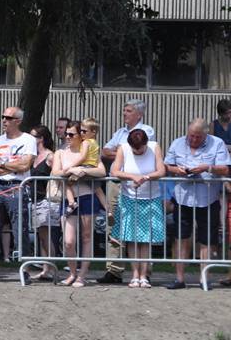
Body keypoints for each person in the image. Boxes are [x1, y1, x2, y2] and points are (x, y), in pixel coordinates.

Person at [164, 118, 231, 289]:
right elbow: (166, 166)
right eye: (191, 136)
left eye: (198, 137)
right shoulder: (177, 143)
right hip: (182, 197)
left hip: (208, 198)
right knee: (181, 237)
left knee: (207, 239)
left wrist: (207, 168)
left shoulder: (217, 143)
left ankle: (204, 278)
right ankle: (179, 279)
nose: (193, 139)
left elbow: (225, 169)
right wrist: (177, 170)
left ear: (205, 135)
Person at [99, 99, 156, 284]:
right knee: (113, 223)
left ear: (139, 114)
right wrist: (123, 151)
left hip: (137, 184)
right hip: (117, 182)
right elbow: (104, 151)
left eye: (129, 111)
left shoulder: (147, 131)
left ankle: (144, 271)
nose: (124, 113)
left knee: (141, 228)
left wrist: (121, 151)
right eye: (124, 110)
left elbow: (139, 150)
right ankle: (114, 269)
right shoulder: (120, 132)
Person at [0, 107, 37, 283]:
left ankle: (25, 270)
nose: (4, 120)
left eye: (8, 117)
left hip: (17, 187)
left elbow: (25, 166)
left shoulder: (28, 140)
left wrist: (2, 164)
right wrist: (12, 166)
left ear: (18, 121)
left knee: (20, 229)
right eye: (3, 116)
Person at [51, 121, 106, 287]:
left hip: (87, 196)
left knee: (87, 237)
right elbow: (55, 172)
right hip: (68, 199)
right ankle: (72, 273)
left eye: (71, 134)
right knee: (68, 241)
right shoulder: (60, 153)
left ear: (80, 136)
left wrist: (83, 171)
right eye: (66, 134)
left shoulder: (87, 151)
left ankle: (82, 275)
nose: (67, 137)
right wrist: (69, 170)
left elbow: (102, 171)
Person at [110, 129, 166, 289]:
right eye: (135, 149)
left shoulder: (154, 147)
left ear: (146, 143)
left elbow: (161, 170)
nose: (137, 151)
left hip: (151, 198)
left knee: (146, 240)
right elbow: (114, 171)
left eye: (140, 149)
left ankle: (144, 275)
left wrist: (146, 177)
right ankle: (135, 275)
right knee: (131, 239)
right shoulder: (123, 148)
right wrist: (132, 176)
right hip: (129, 198)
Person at [28, 125, 57, 281]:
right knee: (41, 236)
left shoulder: (50, 156)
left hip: (45, 199)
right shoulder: (33, 156)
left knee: (46, 235)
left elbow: (57, 174)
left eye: (33, 136)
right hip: (33, 199)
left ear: (41, 138)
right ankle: (46, 269)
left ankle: (51, 268)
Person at [64, 118, 107, 215]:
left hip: (85, 167)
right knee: (98, 190)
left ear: (93, 132)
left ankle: (71, 203)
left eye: (84, 131)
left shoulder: (85, 142)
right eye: (81, 131)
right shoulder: (95, 143)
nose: (82, 133)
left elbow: (83, 157)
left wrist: (71, 166)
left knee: (67, 182)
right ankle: (108, 209)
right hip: (93, 167)